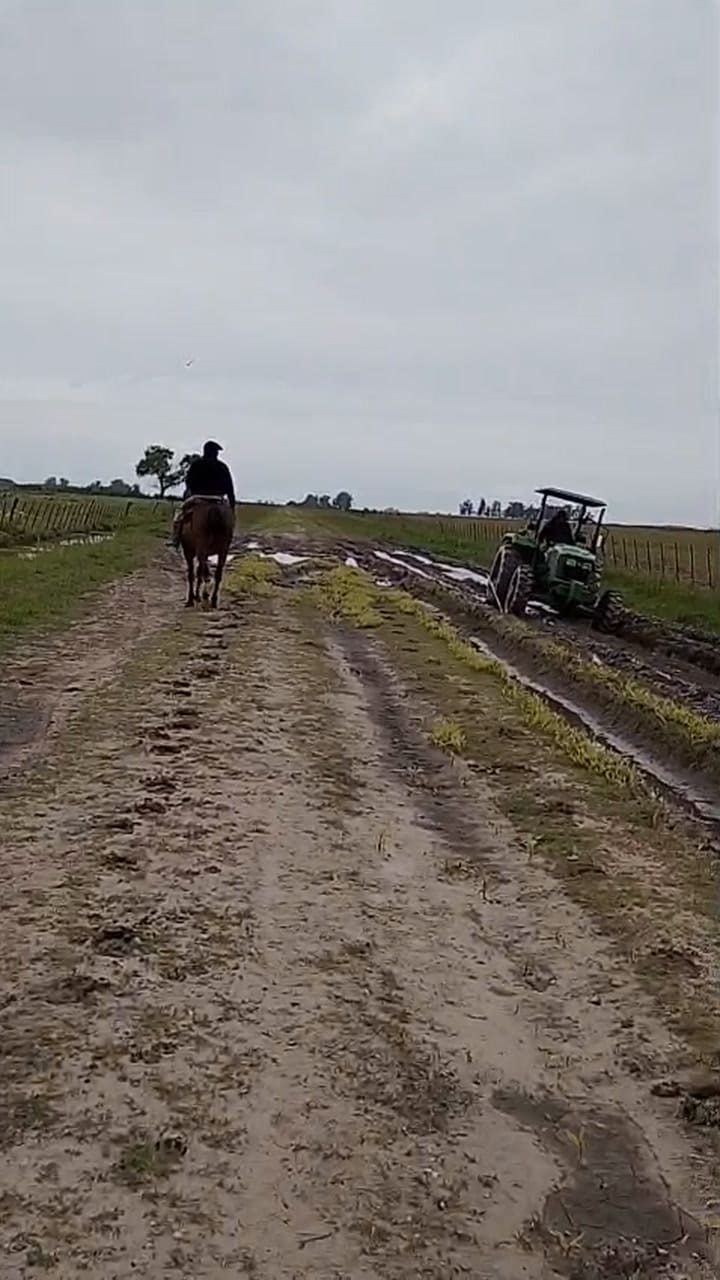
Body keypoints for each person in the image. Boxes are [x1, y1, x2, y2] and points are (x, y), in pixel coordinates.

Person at [172, 440, 236, 548]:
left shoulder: (196, 465)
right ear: (214, 453)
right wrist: (232, 506)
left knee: (179, 516)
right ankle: (228, 540)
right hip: (218, 500)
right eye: (216, 452)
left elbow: (189, 483)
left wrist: (189, 494)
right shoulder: (222, 466)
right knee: (230, 521)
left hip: (198, 498)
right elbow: (229, 487)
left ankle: (176, 539)